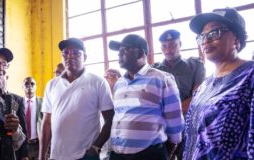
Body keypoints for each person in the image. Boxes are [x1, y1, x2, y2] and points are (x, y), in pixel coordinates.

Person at [183, 8, 254, 159]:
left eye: (215, 32)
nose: (206, 40)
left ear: (236, 38)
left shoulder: (250, 76)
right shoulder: (205, 85)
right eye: (202, 36)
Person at [108, 34, 184, 159]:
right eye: (119, 51)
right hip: (117, 153)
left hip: (149, 154)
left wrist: (171, 147)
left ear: (140, 53)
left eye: (124, 50)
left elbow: (174, 118)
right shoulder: (119, 83)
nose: (119, 54)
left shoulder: (162, 79)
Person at [39, 38, 114, 160]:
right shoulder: (52, 84)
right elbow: (47, 123)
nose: (70, 56)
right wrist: (41, 156)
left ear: (84, 57)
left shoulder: (98, 82)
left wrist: (96, 147)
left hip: (86, 156)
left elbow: (110, 119)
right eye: (65, 53)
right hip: (57, 156)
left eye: (75, 53)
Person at [153, 29, 206, 116]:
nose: (168, 50)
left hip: (188, 121)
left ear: (180, 44)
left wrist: (169, 113)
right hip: (160, 125)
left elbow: (198, 97)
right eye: (164, 46)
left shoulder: (196, 66)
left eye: (172, 45)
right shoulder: (153, 70)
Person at [0, 72, 30, 160]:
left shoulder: (17, 99)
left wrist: (25, 154)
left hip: (12, 148)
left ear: (7, 77)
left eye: (2, 74)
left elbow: (23, 128)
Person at [22, 77, 42, 160]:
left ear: (36, 86)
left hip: (38, 144)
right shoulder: (18, 102)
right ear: (22, 87)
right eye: (26, 84)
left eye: (32, 84)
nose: (29, 86)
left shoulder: (43, 102)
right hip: (23, 144)